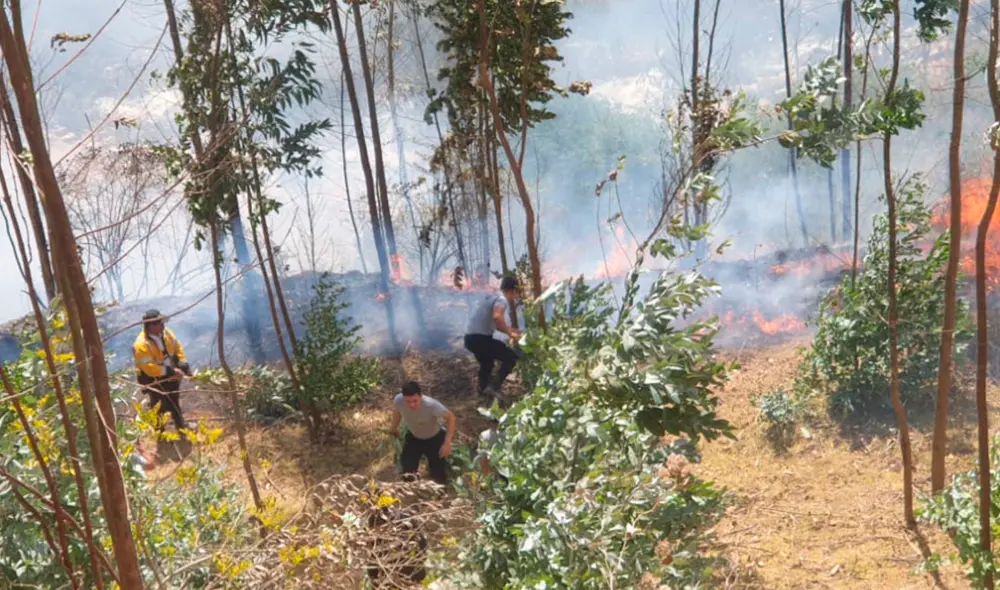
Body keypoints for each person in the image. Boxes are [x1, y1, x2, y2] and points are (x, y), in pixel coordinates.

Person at [133, 309, 191, 431]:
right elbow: (149, 368)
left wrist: (182, 362)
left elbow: (177, 347)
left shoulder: (166, 333)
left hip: (171, 375)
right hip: (154, 379)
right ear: (151, 325)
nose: (163, 325)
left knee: (174, 401)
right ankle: (160, 433)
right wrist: (170, 371)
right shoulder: (141, 344)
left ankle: (181, 427)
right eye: (160, 323)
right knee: (158, 407)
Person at [389, 381, 456, 485]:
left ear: (421, 395)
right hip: (414, 437)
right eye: (408, 401)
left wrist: (447, 443)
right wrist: (393, 428)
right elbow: (397, 412)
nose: (412, 405)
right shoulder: (398, 400)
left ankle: (439, 491)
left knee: (438, 473)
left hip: (434, 439)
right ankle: (411, 489)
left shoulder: (431, 405)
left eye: (415, 401)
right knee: (407, 467)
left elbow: (451, 418)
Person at [463, 276, 520, 399]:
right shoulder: (501, 299)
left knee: (487, 363)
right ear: (512, 290)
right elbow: (497, 318)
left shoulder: (493, 297)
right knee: (511, 357)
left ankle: (483, 390)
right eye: (516, 292)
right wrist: (511, 334)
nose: (515, 297)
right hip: (480, 339)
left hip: (470, 338)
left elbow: (496, 324)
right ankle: (494, 387)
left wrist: (514, 331)